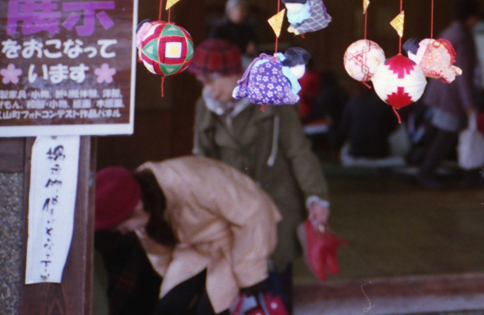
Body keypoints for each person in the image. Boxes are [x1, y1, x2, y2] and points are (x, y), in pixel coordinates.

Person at [190, 38, 330, 313]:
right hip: (231, 210)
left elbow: (299, 151)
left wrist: (317, 197)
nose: (208, 90)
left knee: (276, 286)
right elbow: (201, 162)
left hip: (276, 203)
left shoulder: (273, 96)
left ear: (234, 73)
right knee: (235, 290)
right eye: (203, 83)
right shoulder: (206, 105)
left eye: (212, 81)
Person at [94, 157, 280, 315]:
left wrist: (251, 273)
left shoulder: (189, 181)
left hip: (237, 239)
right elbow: (160, 254)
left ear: (137, 207)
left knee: (211, 308)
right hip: (194, 247)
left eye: (120, 226)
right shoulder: (143, 215)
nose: (121, 231)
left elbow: (253, 212)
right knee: (168, 308)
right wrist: (179, 286)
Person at [413, 0, 481, 188]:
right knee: (446, 134)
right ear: (471, 17)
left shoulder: (449, 31)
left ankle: (424, 168)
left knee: (440, 132)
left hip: (440, 89)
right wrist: (469, 104)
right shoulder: (464, 38)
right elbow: (463, 74)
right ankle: (426, 173)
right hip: (452, 94)